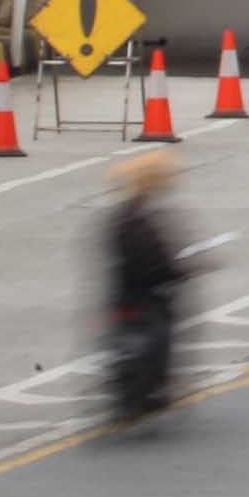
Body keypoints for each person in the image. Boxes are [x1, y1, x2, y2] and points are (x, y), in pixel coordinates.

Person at [103, 149, 193, 413]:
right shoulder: (141, 221)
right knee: (164, 329)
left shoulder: (124, 215)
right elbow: (156, 260)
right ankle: (155, 384)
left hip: (123, 294)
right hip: (144, 296)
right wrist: (179, 271)